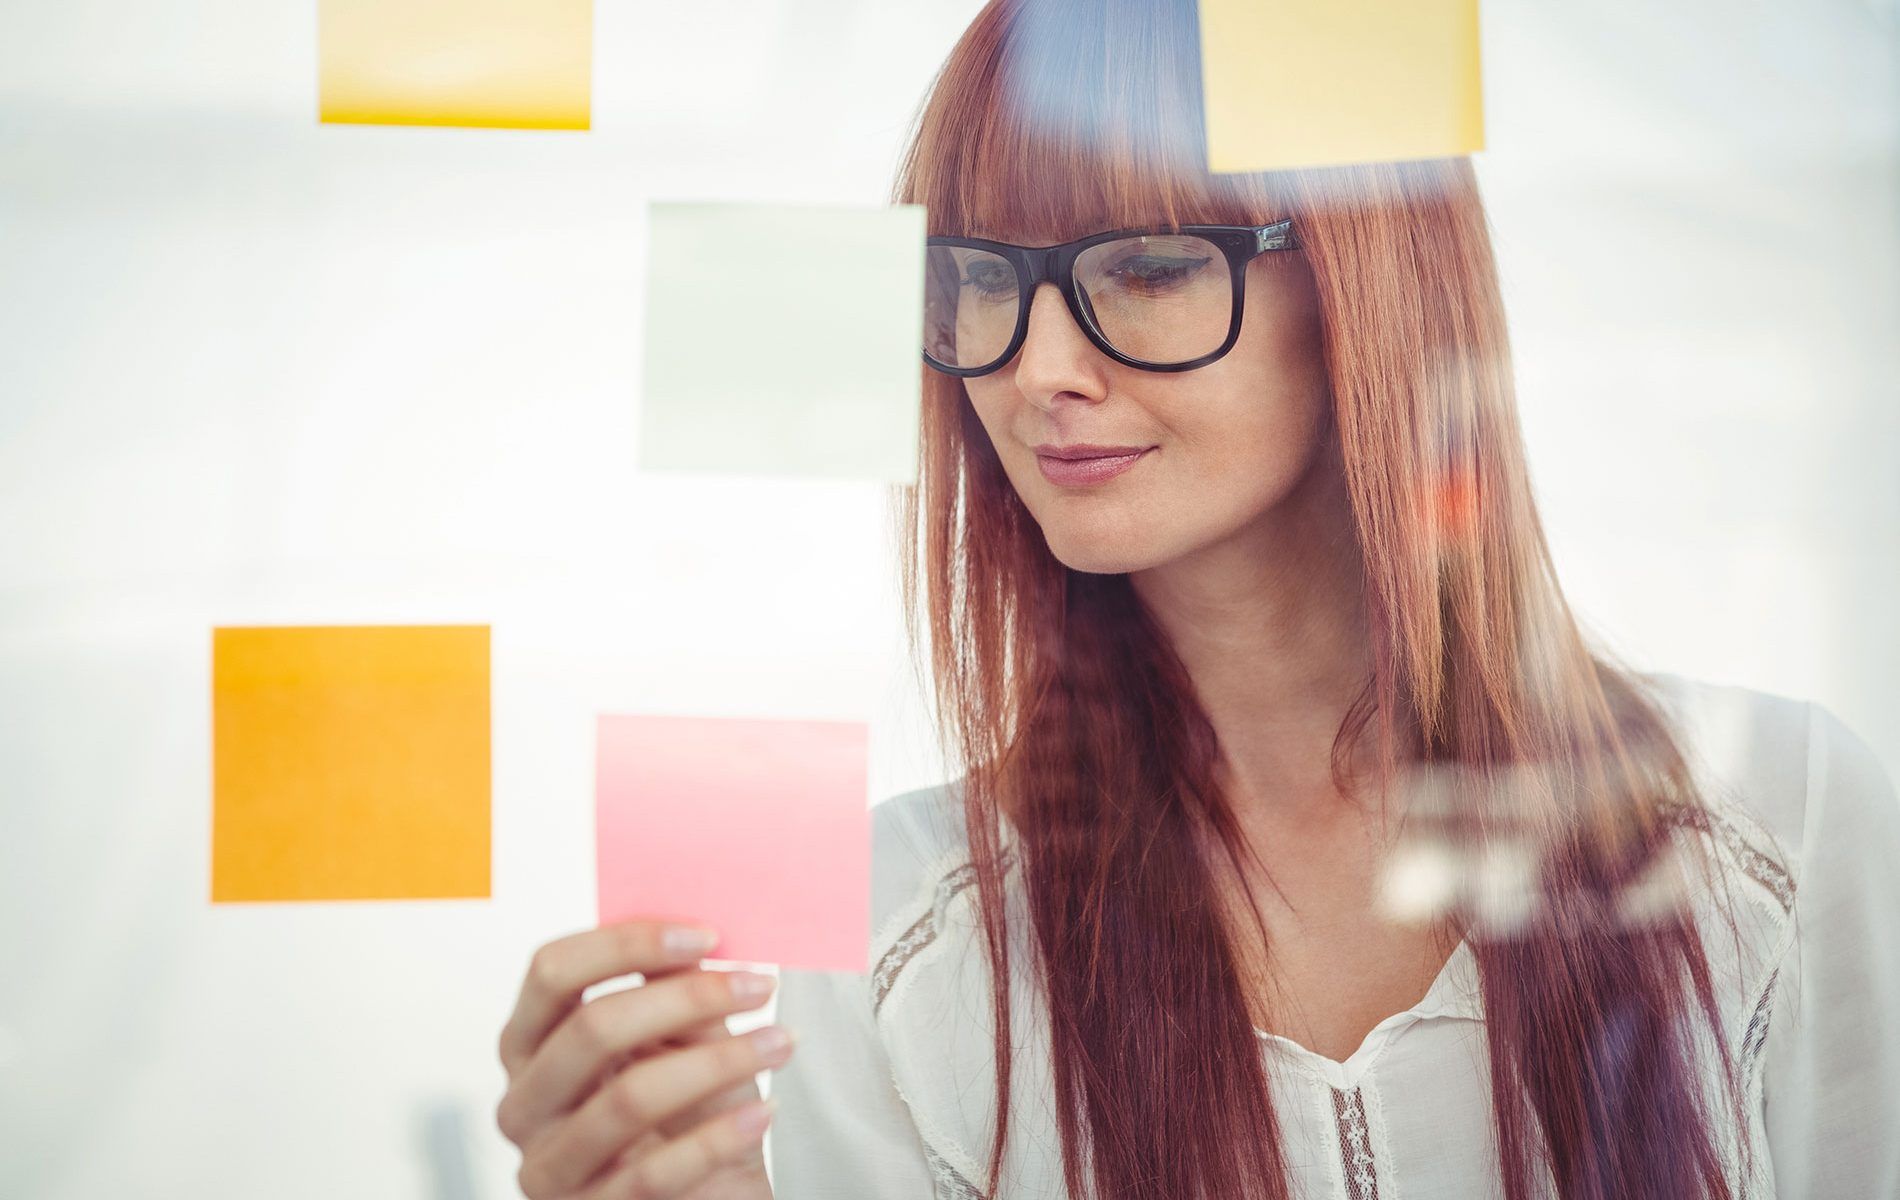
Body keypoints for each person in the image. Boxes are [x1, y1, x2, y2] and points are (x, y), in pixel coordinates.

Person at [492, 1, 1900, 1196]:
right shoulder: (895, 939)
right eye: (979, 282)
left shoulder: (1778, 823)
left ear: (1367, 282)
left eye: (1149, 267)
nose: (1036, 369)